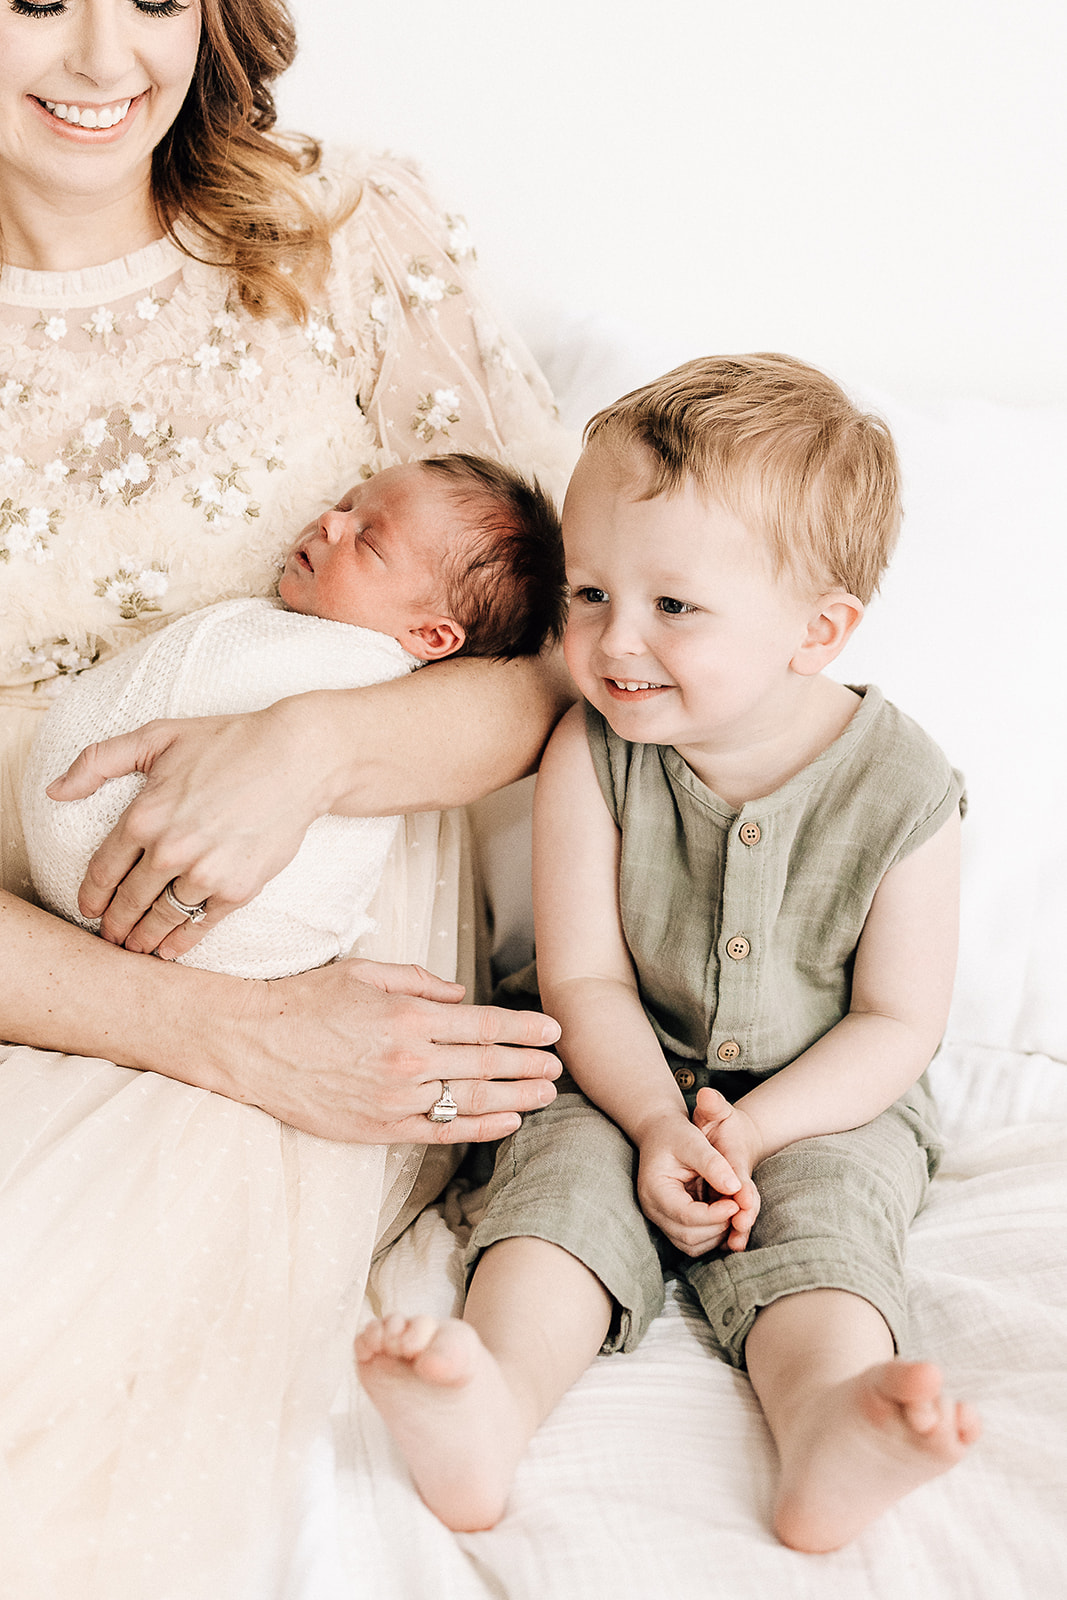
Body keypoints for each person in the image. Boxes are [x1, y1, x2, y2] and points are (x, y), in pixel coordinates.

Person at [0, 1, 574, 1590]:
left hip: (316, 942)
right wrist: (219, 1033)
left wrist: (315, 745)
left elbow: (582, 654)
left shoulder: (347, 236)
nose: (108, 58)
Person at [356, 354, 982, 1552]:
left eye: (672, 606)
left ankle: (825, 1423)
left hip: (822, 1098)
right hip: (615, 1068)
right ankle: (489, 1397)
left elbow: (896, 1025)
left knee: (831, 1222)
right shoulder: (590, 755)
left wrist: (749, 1133)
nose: (610, 640)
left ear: (819, 629)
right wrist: (651, 1120)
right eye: (588, 592)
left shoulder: (904, 789)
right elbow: (580, 979)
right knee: (556, 1192)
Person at [23, 452, 566, 982]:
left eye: (369, 540)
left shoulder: (368, 679)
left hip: (213, 911)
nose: (331, 522)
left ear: (432, 636)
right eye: (346, 504)